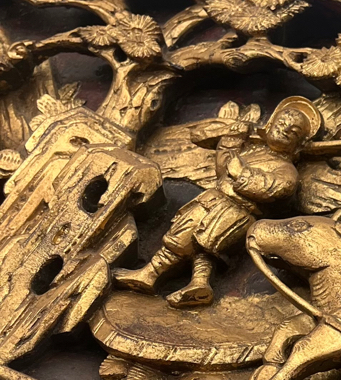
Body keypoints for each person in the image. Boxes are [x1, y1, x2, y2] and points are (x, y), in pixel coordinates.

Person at [115, 96, 321, 307]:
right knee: (180, 235)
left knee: (207, 244)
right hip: (214, 198)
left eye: (293, 132)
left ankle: (197, 282)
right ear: (269, 126)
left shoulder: (287, 170)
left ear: (300, 145)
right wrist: (232, 141)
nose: (284, 130)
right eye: (281, 123)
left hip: (238, 210)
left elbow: (276, 188)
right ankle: (153, 275)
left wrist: (242, 173)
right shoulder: (252, 151)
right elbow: (223, 169)